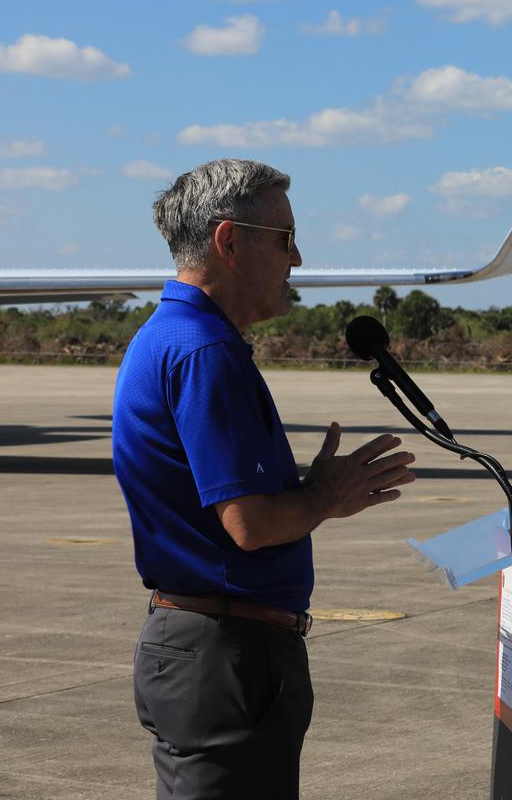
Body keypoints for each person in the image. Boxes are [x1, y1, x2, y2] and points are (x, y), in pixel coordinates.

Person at [112, 159, 416, 798]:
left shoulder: (168, 336)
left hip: (203, 645)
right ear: (229, 242)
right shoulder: (205, 352)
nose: (297, 258)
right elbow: (248, 525)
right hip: (228, 652)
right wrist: (324, 496)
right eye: (284, 238)